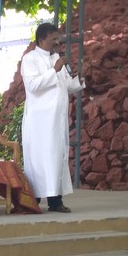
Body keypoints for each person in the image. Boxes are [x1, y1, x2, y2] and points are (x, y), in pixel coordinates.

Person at [20, 22, 85, 213]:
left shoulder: (56, 58)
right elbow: (33, 85)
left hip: (57, 121)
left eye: (58, 39)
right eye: (53, 39)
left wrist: (81, 78)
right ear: (41, 39)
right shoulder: (30, 59)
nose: (57, 42)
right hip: (40, 122)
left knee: (56, 159)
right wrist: (54, 70)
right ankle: (33, 200)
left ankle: (55, 201)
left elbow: (68, 86)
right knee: (40, 160)